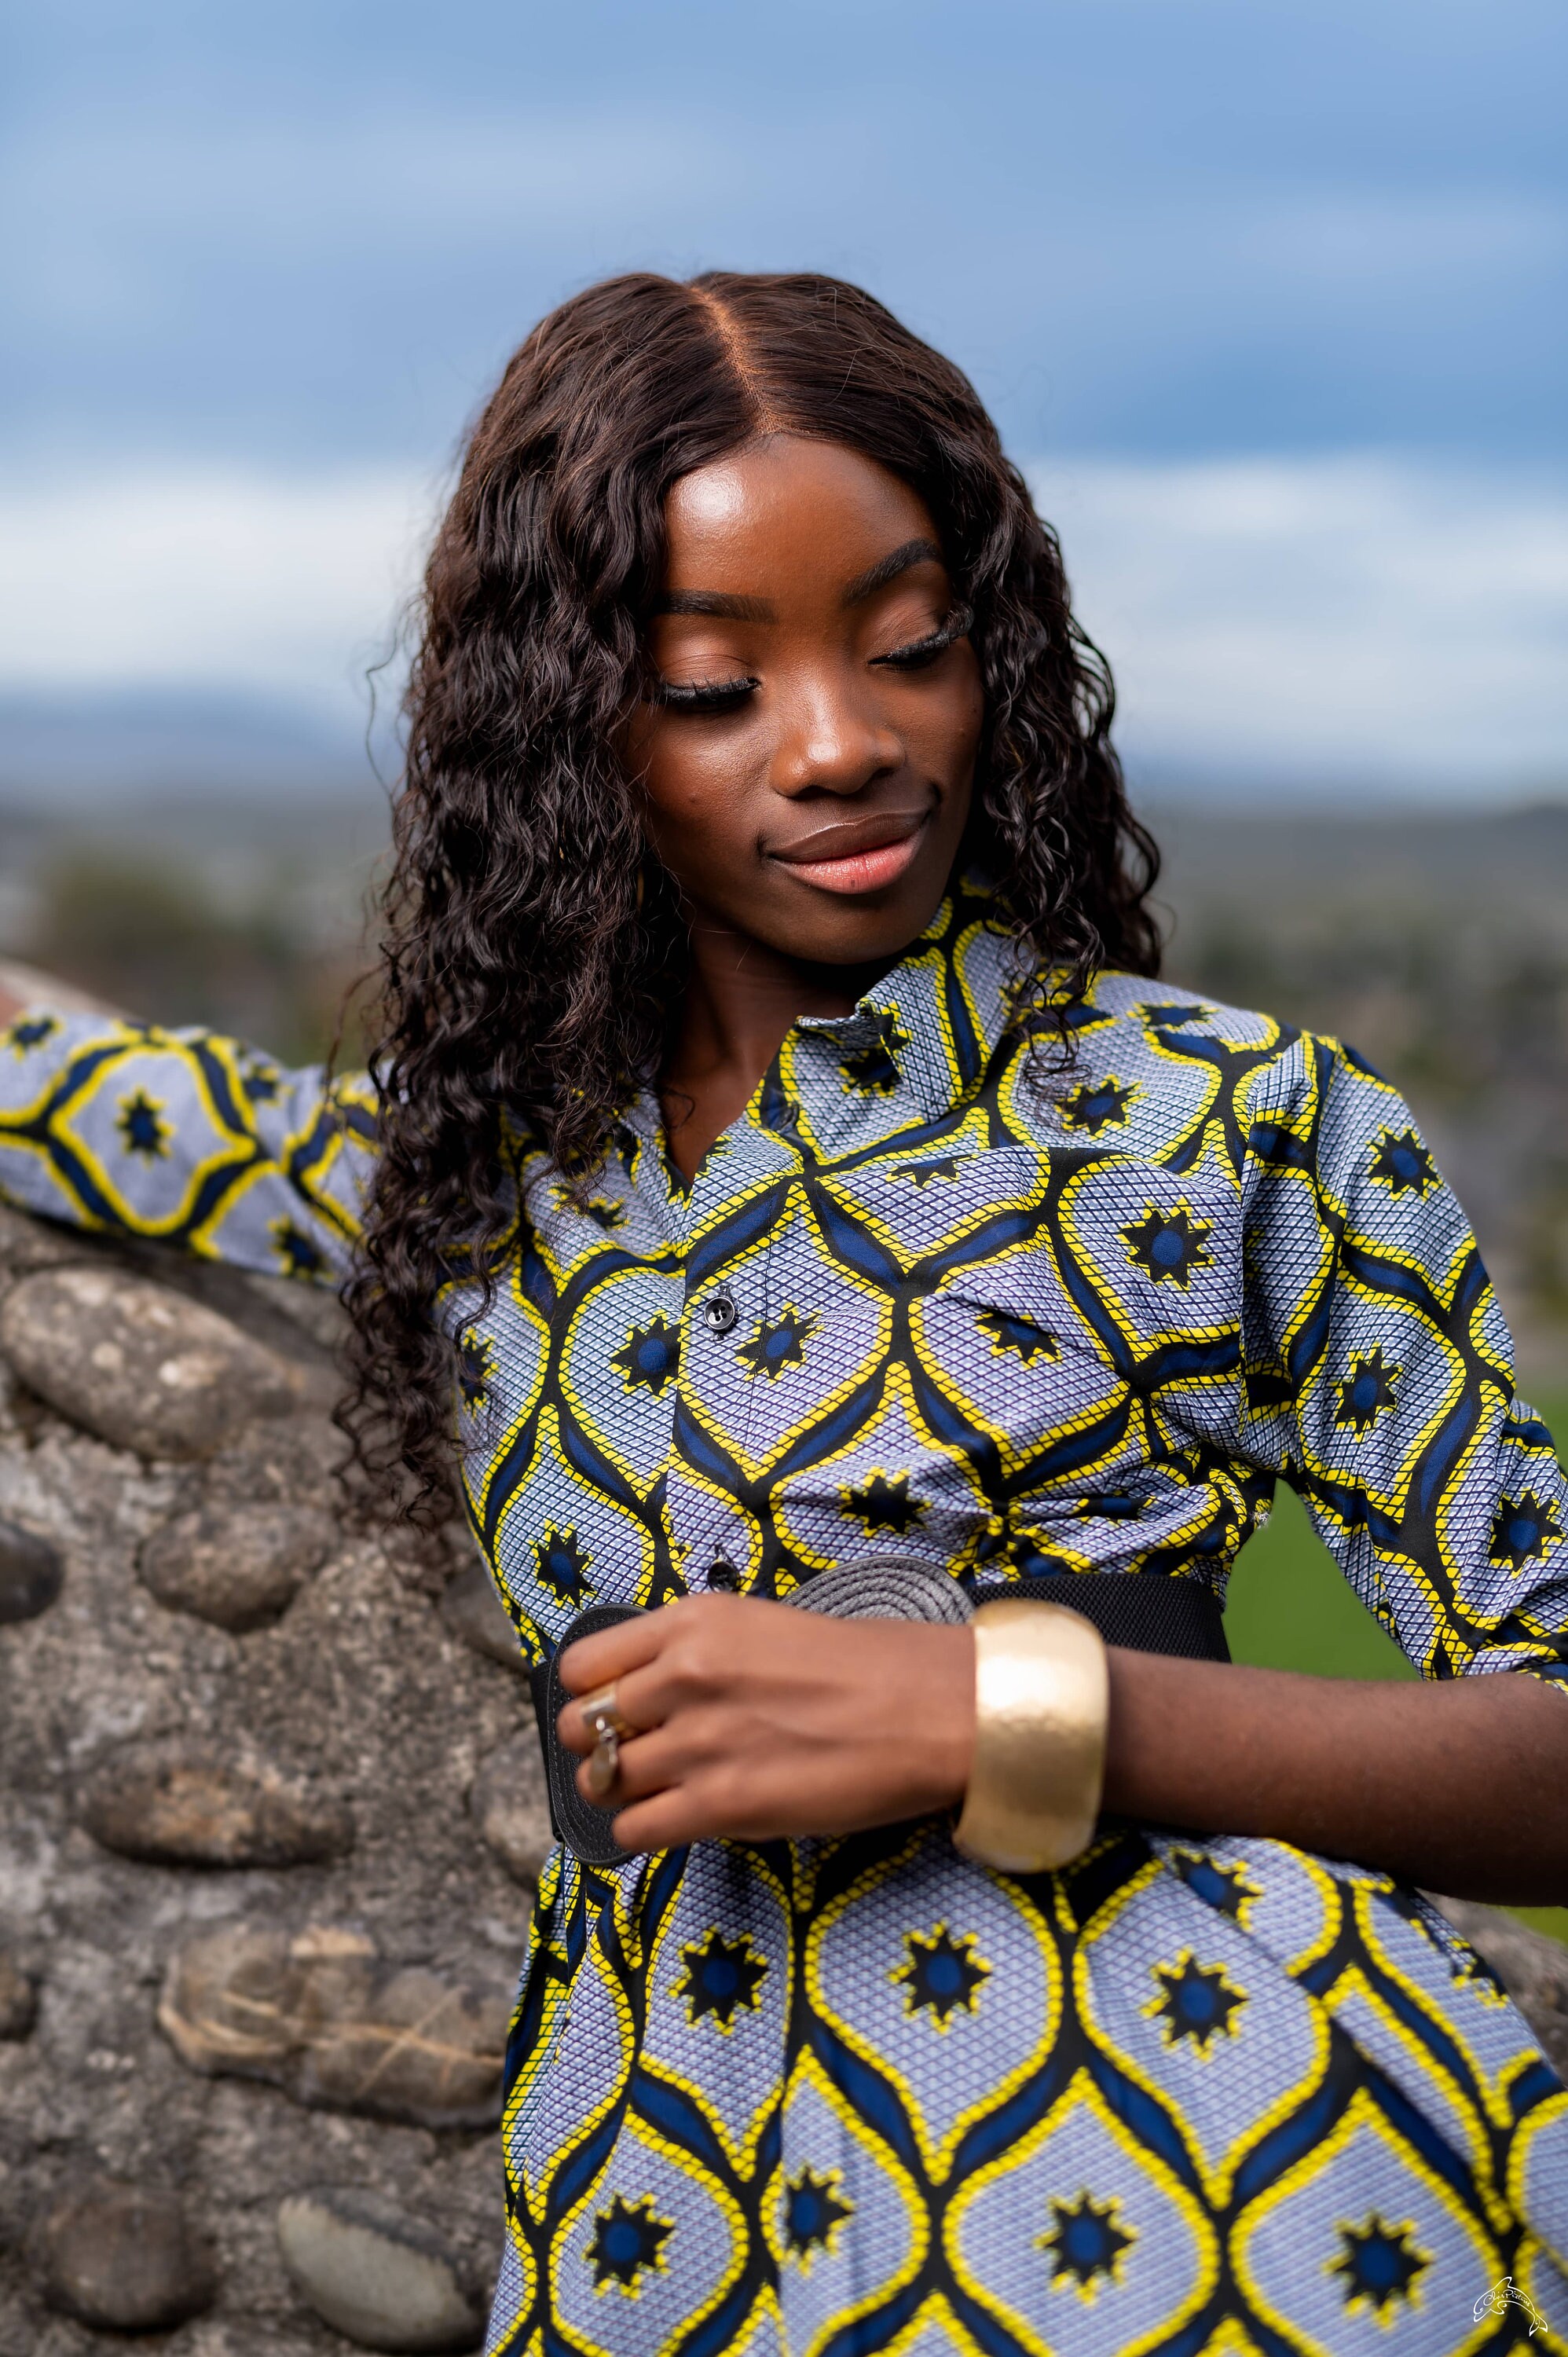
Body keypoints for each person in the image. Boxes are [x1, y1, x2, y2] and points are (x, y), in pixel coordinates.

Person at [0, 270, 1564, 2355]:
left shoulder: (1225, 1126)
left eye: (912, 645)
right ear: (573, 734)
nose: (844, 743)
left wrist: (997, 1716)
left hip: (1209, 2213)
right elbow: (122, 1107)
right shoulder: (494, 1172)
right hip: (666, 2236)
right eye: (714, 685)